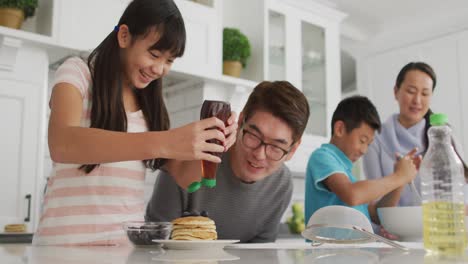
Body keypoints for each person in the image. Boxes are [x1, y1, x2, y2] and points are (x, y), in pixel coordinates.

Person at [33, 0, 237, 246]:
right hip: (63, 248)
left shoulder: (150, 106)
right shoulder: (77, 72)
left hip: (126, 251)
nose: (160, 68)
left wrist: (214, 145)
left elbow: (187, 179)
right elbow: (62, 144)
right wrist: (166, 141)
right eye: (154, 54)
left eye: (170, 60)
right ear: (124, 35)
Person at [146, 81, 310, 243]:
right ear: (240, 121)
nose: (259, 155)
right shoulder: (189, 158)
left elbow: (260, 256)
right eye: (253, 136)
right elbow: (154, 242)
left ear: (293, 149)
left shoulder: (281, 185)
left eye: (276, 147)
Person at [363, 62, 468, 208]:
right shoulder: (375, 140)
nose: (417, 100)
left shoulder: (445, 137)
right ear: (396, 91)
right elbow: (374, 201)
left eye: (425, 93)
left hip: (438, 224)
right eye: (411, 91)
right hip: (389, 227)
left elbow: (461, 193)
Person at [304, 96, 418, 228]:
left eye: (368, 144)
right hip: (329, 249)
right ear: (340, 129)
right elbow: (352, 194)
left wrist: (401, 181)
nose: (364, 150)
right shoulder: (322, 157)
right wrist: (399, 176)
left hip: (353, 248)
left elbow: (377, 215)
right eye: (362, 141)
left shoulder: (347, 174)